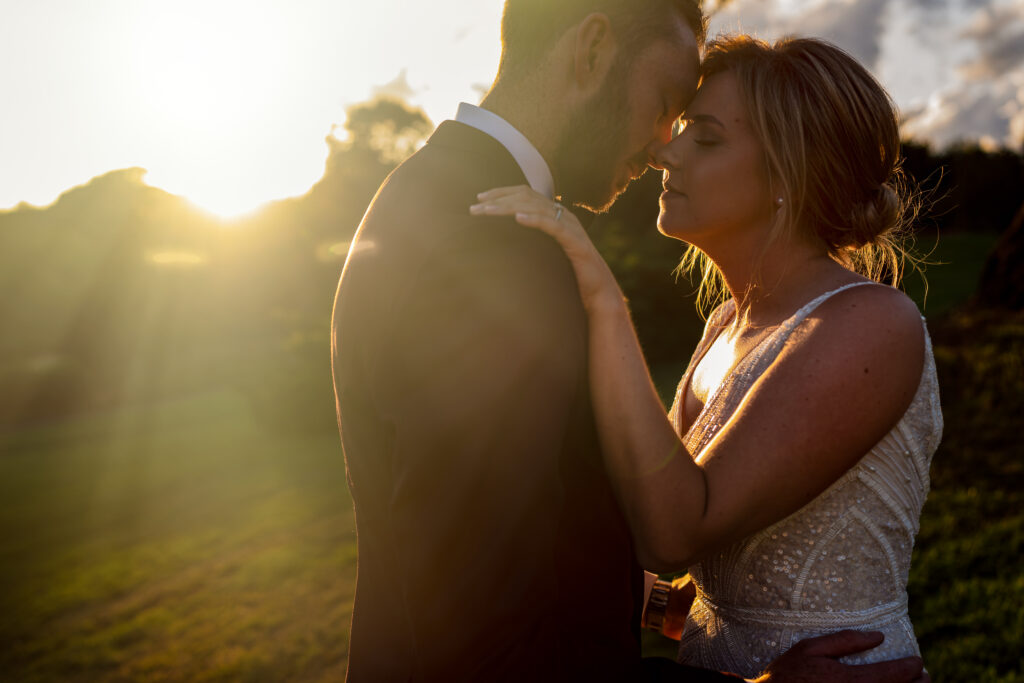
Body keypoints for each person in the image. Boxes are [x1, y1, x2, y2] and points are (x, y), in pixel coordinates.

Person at [332, 0, 930, 678]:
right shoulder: (495, 245)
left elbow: (544, 538)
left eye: (698, 133)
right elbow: (491, 633)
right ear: (590, 52)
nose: (662, 146)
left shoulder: (436, 199)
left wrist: (647, 604)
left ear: (787, 178)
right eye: (665, 105)